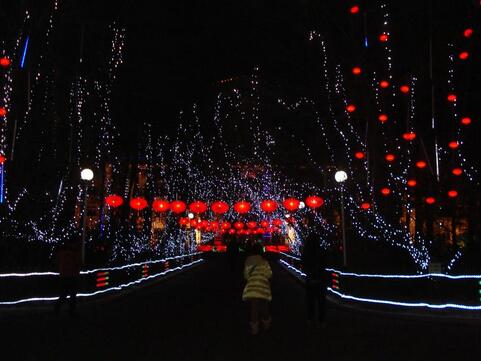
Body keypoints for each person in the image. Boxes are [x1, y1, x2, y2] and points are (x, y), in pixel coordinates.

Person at [300, 214, 327, 328]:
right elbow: (326, 263)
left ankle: (310, 320)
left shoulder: (306, 252)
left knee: (310, 300)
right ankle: (321, 321)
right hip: (321, 278)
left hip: (310, 278)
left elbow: (303, 264)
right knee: (321, 301)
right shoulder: (321, 251)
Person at [242, 242, 272, 335]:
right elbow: (269, 274)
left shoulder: (248, 260)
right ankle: (266, 324)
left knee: (254, 308)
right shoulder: (264, 261)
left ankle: (254, 328)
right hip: (263, 287)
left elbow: (246, 275)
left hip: (252, 287)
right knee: (264, 307)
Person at [54, 237, 82, 316]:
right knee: (72, 294)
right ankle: (71, 311)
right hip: (73, 275)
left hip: (63, 275)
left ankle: (57, 308)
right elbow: (78, 263)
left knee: (64, 294)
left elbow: (57, 261)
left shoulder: (61, 252)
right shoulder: (76, 252)